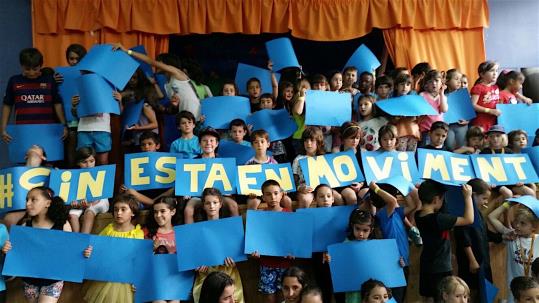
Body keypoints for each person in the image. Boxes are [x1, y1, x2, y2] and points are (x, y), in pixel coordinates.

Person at [2, 186, 73, 303]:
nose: (28, 203)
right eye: (27, 200)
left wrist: (84, 252)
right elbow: (19, 255)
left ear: (48, 203)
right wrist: (8, 251)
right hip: (30, 280)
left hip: (53, 280)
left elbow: (71, 250)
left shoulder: (63, 224)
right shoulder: (25, 227)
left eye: (33, 199)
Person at [415, 180, 474, 302]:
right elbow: (469, 219)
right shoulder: (439, 219)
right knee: (443, 298)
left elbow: (442, 211)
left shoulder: (418, 215)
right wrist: (468, 197)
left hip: (427, 263)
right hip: (440, 266)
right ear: (436, 199)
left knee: (430, 296)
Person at [113, 44, 200, 120]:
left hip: (195, 116)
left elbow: (150, 61)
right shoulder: (167, 86)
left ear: (166, 64)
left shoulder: (177, 73)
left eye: (159, 62)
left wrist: (127, 51)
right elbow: (173, 109)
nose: (157, 64)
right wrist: (174, 105)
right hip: (186, 119)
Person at [83, 193, 143, 303]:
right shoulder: (109, 229)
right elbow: (96, 248)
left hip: (124, 281)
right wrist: (89, 252)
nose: (118, 213)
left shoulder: (137, 234)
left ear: (133, 212)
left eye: (123, 209)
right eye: (116, 209)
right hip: (105, 277)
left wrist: (137, 279)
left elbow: (139, 260)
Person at [1, 48, 68, 144]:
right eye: (27, 69)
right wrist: (3, 129)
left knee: (49, 158)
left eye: (35, 69)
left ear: (41, 65)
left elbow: (57, 104)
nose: (31, 72)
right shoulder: (14, 81)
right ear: (21, 66)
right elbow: (7, 105)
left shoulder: (49, 80)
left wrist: (63, 125)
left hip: (48, 130)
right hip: (23, 131)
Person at [192, 188, 245, 303]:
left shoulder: (230, 226)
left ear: (220, 204)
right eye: (208, 203)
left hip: (228, 272)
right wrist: (197, 264)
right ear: (203, 205)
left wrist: (235, 259)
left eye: (215, 203)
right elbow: (194, 254)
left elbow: (237, 251)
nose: (211, 206)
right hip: (206, 274)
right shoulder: (196, 229)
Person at [371, 180, 419, 303]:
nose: (395, 198)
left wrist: (405, 186)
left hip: (404, 263)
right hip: (395, 264)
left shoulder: (396, 213)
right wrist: (375, 188)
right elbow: (392, 201)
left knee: (400, 298)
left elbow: (413, 206)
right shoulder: (383, 214)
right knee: (394, 298)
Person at [454, 179, 498, 302]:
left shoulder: (477, 212)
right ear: (473, 196)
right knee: (470, 292)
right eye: (484, 198)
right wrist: (472, 260)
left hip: (483, 260)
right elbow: (463, 238)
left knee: (484, 293)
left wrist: (502, 237)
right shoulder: (463, 213)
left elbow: (485, 233)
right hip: (471, 262)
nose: (486, 202)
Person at [251, 180, 294, 303]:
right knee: (269, 298)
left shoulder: (289, 214)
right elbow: (255, 239)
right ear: (263, 197)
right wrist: (253, 251)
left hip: (285, 264)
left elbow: (294, 238)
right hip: (266, 264)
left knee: (284, 297)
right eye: (268, 194)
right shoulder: (259, 216)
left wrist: (294, 250)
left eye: (276, 193)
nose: (273, 197)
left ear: (281, 194)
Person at [488, 199, 539, 303]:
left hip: (534, 289)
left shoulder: (538, 240)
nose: (517, 226)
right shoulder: (512, 236)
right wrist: (508, 204)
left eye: (523, 223)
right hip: (515, 289)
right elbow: (491, 217)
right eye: (516, 222)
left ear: (534, 227)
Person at [293, 126, 342, 208]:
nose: (308, 143)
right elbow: (294, 181)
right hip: (306, 189)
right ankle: (303, 220)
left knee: (339, 198)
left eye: (312, 140)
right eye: (306, 141)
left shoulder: (324, 158)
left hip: (323, 188)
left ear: (318, 142)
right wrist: (300, 188)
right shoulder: (298, 159)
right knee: (305, 200)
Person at [68, 147, 110, 233]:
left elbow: (100, 197)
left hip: (99, 201)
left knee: (89, 211)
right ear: (78, 163)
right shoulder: (74, 176)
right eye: (84, 162)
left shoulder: (100, 173)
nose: (88, 165)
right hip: (82, 203)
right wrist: (76, 203)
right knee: (72, 214)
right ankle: (77, 238)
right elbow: (73, 197)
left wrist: (89, 204)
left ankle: (84, 239)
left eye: (91, 161)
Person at [418, 70, 448, 143]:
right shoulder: (422, 95)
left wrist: (441, 94)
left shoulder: (443, 97)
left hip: (439, 130)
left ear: (442, 83)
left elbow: (444, 110)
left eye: (436, 81)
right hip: (426, 130)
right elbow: (420, 112)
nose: (434, 83)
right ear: (426, 84)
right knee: (425, 149)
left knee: (437, 150)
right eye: (430, 82)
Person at [470, 61, 500, 132]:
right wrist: (489, 110)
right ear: (482, 74)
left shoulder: (496, 87)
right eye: (492, 71)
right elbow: (472, 105)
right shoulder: (478, 87)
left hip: (494, 122)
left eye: (496, 71)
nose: (495, 73)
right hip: (481, 124)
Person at [444, 68, 468, 151]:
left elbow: (469, 113)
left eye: (460, 80)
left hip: (462, 126)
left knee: (462, 146)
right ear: (447, 81)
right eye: (456, 79)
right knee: (450, 146)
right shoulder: (443, 96)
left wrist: (467, 121)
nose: (459, 82)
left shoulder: (464, 95)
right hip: (448, 126)